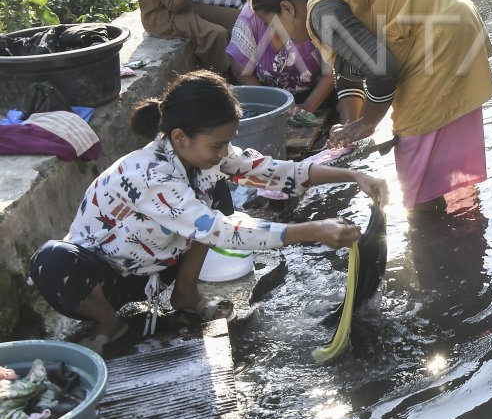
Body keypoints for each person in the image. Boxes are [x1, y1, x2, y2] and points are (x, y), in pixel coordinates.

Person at [27, 70, 388, 352]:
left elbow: (274, 171)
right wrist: (313, 230)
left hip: (149, 272)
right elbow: (221, 231)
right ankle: (107, 323)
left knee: (213, 196)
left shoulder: (202, 157)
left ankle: (186, 294)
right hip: (99, 277)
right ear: (180, 137)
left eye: (226, 143)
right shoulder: (150, 176)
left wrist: (353, 174)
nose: (224, 152)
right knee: (51, 258)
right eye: (217, 144)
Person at [249, 0, 492, 211]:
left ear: (287, 8)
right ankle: (459, 226)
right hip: (452, 20)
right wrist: (350, 127)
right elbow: (348, 70)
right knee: (434, 151)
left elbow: (382, 70)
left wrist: (368, 123)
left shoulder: (321, 15)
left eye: (271, 24)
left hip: (442, 35)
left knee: (414, 160)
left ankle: (428, 229)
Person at [228, 0, 334, 124]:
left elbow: (330, 74)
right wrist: (276, 108)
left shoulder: (318, 17)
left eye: (270, 22)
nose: (269, 28)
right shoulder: (251, 17)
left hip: (316, 94)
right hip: (267, 97)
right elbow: (241, 70)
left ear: (287, 9)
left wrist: (305, 109)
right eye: (266, 23)